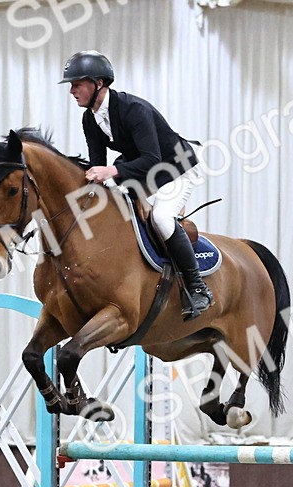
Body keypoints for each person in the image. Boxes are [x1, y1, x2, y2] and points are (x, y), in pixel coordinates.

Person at [61, 50, 213, 320]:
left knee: (161, 218)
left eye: (77, 84)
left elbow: (152, 159)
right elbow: (98, 164)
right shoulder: (90, 119)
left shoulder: (134, 109)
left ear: (99, 84)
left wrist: (111, 170)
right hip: (142, 168)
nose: (72, 91)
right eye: (71, 86)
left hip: (175, 167)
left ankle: (197, 288)